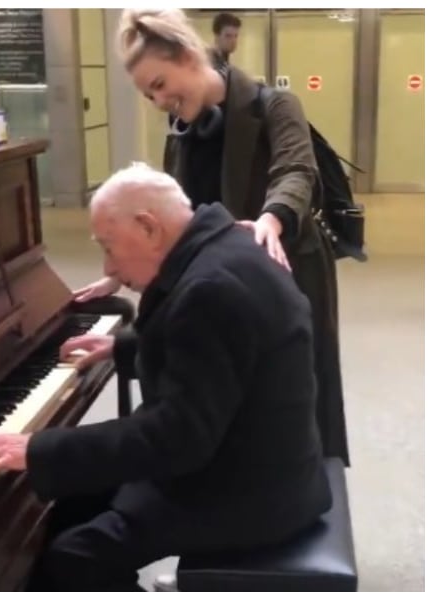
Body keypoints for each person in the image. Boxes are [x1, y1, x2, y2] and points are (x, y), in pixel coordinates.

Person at [0, 163, 333, 591]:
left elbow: (175, 439)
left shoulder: (210, 290)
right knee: (68, 502)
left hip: (249, 493)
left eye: (109, 247)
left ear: (150, 227)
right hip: (249, 455)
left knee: (74, 557)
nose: (108, 267)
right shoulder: (225, 247)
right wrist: (123, 347)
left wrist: (38, 448)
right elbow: (218, 351)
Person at [74, 8, 348, 465]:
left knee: (289, 395)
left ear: (188, 56)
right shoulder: (183, 132)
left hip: (283, 266)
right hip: (219, 279)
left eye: (160, 84)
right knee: (213, 392)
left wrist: (271, 219)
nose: (158, 101)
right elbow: (167, 219)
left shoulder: (276, 105)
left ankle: (300, 476)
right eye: (148, 94)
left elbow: (296, 170)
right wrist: (120, 267)